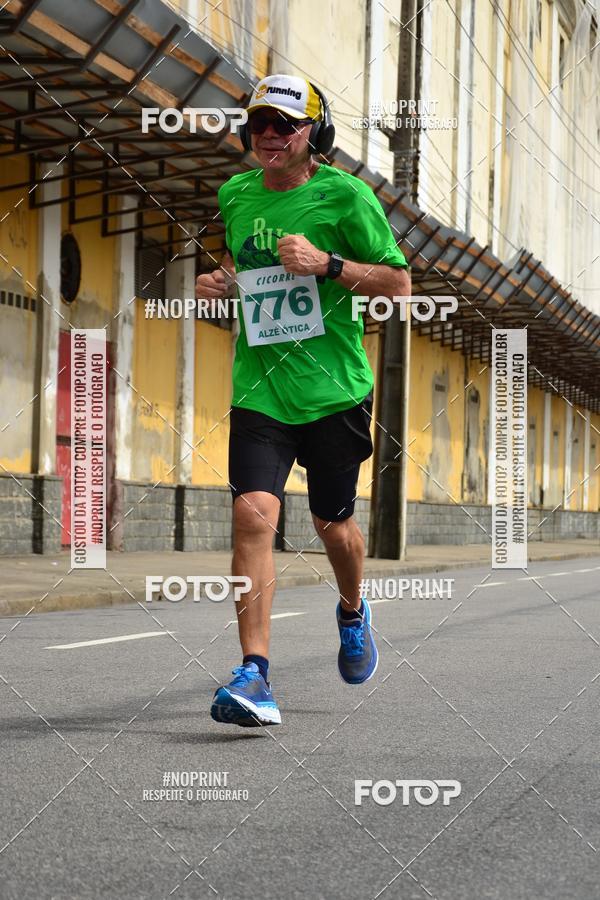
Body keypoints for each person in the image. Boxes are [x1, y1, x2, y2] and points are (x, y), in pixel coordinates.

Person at [195, 74, 411, 727]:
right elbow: (253, 272)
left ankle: (352, 609)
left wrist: (329, 266)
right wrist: (223, 282)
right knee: (252, 515)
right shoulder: (235, 194)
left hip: (333, 390)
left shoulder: (345, 197)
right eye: (259, 121)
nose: (269, 134)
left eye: (284, 124)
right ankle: (254, 674)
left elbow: (399, 284)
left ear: (312, 132)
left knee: (331, 525)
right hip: (260, 388)